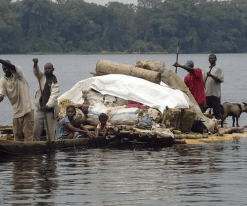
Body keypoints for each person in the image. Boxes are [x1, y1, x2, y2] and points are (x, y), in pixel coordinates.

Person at [0, 59, 34, 141]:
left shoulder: (18, 74)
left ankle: (29, 151)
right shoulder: (3, 81)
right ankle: (18, 151)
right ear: (2, 69)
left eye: (8, 67)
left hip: (27, 108)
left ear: (11, 67)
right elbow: (1, 95)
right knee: (17, 134)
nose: (6, 69)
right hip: (16, 110)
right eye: (4, 68)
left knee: (28, 133)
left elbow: (13, 67)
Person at [33, 58, 60, 141]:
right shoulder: (41, 77)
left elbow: (53, 96)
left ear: (53, 69)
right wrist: (35, 64)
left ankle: (51, 147)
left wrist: (48, 106)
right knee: (35, 130)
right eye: (46, 69)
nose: (47, 70)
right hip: (40, 109)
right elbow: (36, 72)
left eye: (49, 68)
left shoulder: (55, 82)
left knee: (50, 132)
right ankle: (35, 145)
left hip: (50, 111)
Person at [204, 54, 224, 119]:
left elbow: (220, 80)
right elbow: (203, 81)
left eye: (213, 58)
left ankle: (217, 123)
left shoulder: (219, 69)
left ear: (216, 59)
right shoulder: (206, 69)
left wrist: (211, 75)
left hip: (215, 94)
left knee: (216, 112)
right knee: (206, 111)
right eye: (210, 58)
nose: (211, 59)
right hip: (207, 94)